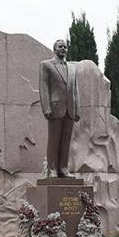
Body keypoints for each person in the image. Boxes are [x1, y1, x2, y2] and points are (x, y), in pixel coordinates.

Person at [39, 39, 80, 178]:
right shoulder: (46, 65)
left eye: (65, 47)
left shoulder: (73, 69)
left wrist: (77, 110)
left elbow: (75, 90)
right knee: (54, 140)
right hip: (55, 109)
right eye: (60, 46)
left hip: (70, 110)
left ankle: (63, 167)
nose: (63, 48)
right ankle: (52, 169)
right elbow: (43, 87)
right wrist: (46, 108)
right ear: (54, 49)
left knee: (66, 141)